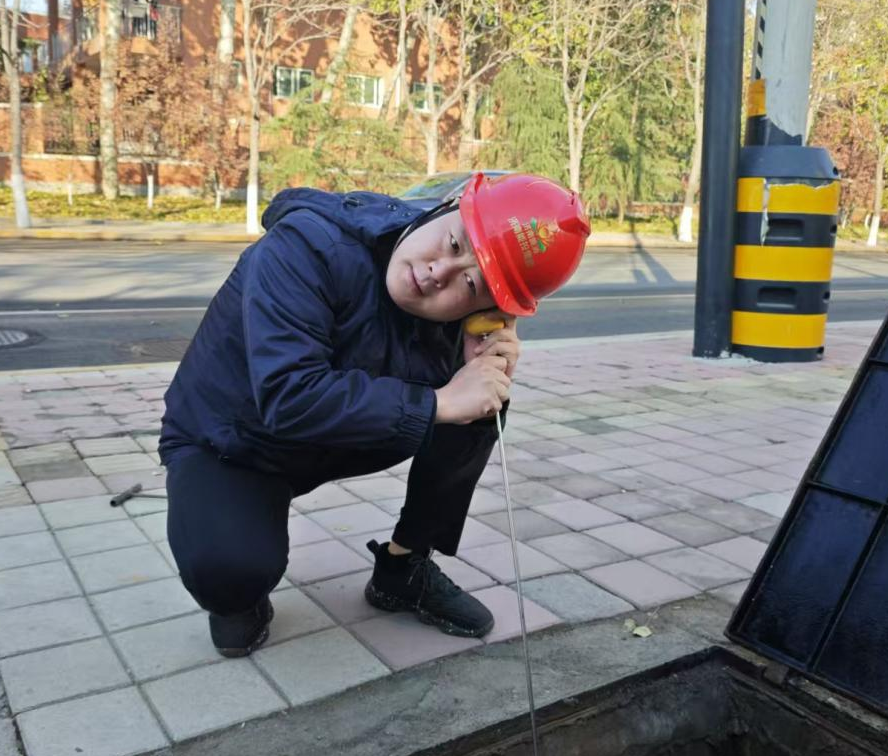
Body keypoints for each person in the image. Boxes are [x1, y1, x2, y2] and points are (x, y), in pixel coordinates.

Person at [159, 174, 590, 657]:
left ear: (490, 307)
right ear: (446, 207)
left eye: (470, 283)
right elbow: (287, 397)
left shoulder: (454, 318)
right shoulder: (306, 247)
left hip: (328, 440)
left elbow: (467, 396)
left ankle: (401, 569)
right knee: (229, 572)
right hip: (230, 442)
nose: (438, 272)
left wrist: (473, 366)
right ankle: (237, 575)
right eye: (454, 243)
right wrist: (441, 401)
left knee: (483, 400)